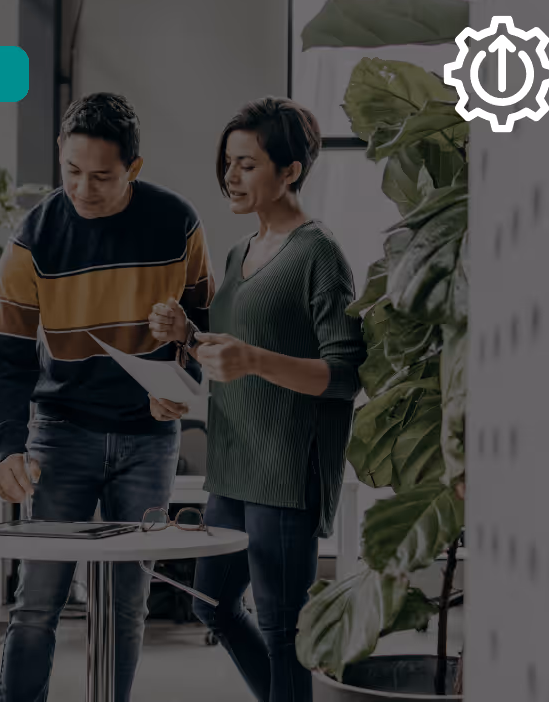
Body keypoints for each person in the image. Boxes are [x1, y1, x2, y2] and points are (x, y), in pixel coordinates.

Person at [0, 92, 215, 702]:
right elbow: (6, 353)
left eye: (102, 177)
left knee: (125, 602)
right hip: (60, 434)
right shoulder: (34, 235)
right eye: (72, 171)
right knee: (37, 602)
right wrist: (10, 446)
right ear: (60, 155)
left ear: (133, 169)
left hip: (149, 439)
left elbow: (203, 327)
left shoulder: (177, 223)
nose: (83, 189)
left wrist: (185, 386)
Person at [148, 98, 367, 702]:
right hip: (234, 467)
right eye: (227, 164)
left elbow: (345, 374)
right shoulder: (238, 254)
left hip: (287, 470)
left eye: (246, 164)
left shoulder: (318, 254)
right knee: (212, 607)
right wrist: (184, 338)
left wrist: (251, 360)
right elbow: (230, 355)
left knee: (280, 627)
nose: (230, 177)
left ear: (290, 170)